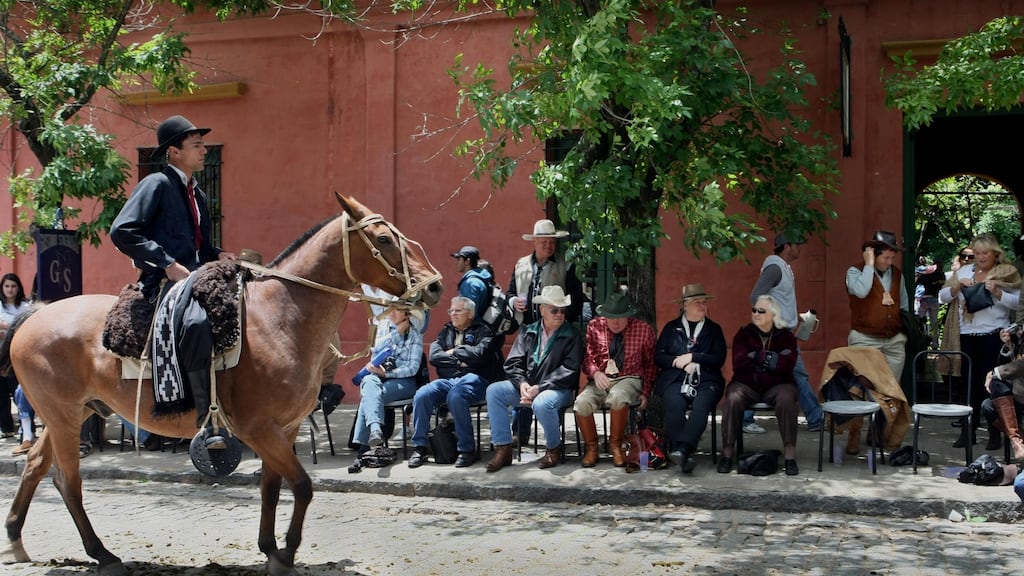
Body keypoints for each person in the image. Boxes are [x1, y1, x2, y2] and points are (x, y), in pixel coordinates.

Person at [109, 115, 236, 450]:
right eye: (196, 145)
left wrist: (219, 254)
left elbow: (201, 247)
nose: (204, 150)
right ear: (174, 152)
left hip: (197, 275)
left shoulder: (200, 196)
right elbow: (122, 231)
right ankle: (205, 418)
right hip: (164, 281)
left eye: (203, 145)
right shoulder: (156, 185)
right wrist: (166, 264)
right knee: (196, 324)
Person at [485, 285, 583, 472]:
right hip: (528, 387)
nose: (560, 314)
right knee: (494, 391)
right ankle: (503, 448)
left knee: (542, 403)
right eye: (555, 310)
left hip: (559, 389)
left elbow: (569, 370)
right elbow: (513, 363)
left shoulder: (572, 335)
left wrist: (540, 388)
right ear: (543, 309)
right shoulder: (528, 331)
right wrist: (522, 384)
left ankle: (554, 448)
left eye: (563, 310)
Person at [505, 219, 586, 446]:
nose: (549, 246)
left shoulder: (566, 264)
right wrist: (513, 301)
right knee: (524, 378)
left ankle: (553, 438)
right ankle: (519, 435)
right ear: (535, 242)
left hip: (557, 332)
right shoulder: (521, 264)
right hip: (528, 330)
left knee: (551, 381)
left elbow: (576, 298)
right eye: (544, 241)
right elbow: (510, 291)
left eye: (552, 242)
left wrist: (559, 321)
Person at [940, 233, 1021, 449]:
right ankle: (968, 431)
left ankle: (995, 432)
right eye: (977, 253)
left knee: (992, 385)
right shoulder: (964, 271)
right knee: (969, 385)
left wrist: (997, 292)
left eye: (985, 253)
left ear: (995, 253)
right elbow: (943, 296)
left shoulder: (1006, 273)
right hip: (967, 336)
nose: (980, 257)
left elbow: (1017, 303)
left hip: (994, 335)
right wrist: (957, 287)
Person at [408, 297, 504, 468]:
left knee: (456, 396)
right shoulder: (446, 331)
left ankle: (467, 449)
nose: (453, 314)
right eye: (451, 311)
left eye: (457, 311)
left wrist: (453, 352)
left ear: (470, 313)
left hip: (476, 378)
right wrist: (460, 361)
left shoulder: (483, 331)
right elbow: (434, 356)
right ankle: (420, 447)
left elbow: (479, 355)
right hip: (448, 379)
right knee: (423, 394)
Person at [747, 232, 823, 434]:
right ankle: (816, 418)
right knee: (797, 374)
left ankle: (745, 418)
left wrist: (796, 316)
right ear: (787, 245)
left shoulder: (784, 268)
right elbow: (756, 296)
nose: (800, 248)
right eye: (798, 244)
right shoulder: (775, 267)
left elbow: (777, 299)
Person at [719, 295, 801, 475]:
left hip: (778, 385)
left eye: (761, 311)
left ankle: (789, 454)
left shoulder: (786, 337)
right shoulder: (744, 334)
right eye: (754, 310)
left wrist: (756, 356)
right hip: (747, 385)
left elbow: (787, 364)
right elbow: (739, 363)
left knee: (787, 398)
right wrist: (769, 359)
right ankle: (727, 453)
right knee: (732, 398)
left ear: (773, 315)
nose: (756, 314)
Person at [575, 292, 656, 468]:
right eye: (612, 318)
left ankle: (616, 446)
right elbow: (587, 357)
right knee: (581, 403)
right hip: (601, 378)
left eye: (621, 318)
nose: (616, 323)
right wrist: (595, 373)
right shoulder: (594, 326)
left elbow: (650, 364)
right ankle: (592, 448)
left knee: (618, 397)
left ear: (628, 316)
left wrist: (645, 393)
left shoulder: (643, 329)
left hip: (629, 377)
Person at [653, 283, 727, 473]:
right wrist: (677, 361)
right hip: (675, 379)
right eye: (697, 302)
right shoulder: (671, 328)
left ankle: (683, 450)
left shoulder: (714, 329)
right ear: (685, 305)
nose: (702, 306)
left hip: (707, 380)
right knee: (674, 405)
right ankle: (684, 456)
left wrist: (695, 357)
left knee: (701, 407)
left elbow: (719, 358)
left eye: (704, 302)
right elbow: (659, 357)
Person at [351, 308, 423, 452]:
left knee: (370, 396)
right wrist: (396, 333)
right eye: (391, 309)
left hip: (404, 382)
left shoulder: (415, 335)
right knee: (369, 383)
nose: (392, 312)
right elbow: (375, 348)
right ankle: (375, 430)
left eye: (397, 310)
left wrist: (387, 374)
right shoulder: (383, 326)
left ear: (406, 314)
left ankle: (364, 449)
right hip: (377, 376)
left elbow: (412, 368)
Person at [845, 230, 910, 380]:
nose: (889, 262)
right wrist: (869, 265)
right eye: (886, 258)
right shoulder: (855, 271)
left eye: (892, 258)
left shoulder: (897, 274)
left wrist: (902, 333)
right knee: (866, 387)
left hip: (894, 340)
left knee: (891, 389)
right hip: (865, 338)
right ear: (873, 254)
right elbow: (861, 291)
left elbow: (903, 305)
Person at [0, 274, 33, 455]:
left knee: (20, 394)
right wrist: (13, 328)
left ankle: (26, 433)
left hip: (18, 356)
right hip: (1, 355)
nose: (10, 289)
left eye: (13, 286)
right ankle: (6, 427)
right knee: (2, 395)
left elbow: (26, 328)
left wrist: (6, 327)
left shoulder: (25, 306)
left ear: (18, 287)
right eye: (7, 286)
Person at [451, 246, 492, 322]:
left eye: (459, 259)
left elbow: (469, 314)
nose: (456, 262)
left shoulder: (470, 283)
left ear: (467, 261)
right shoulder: (480, 278)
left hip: (474, 331)